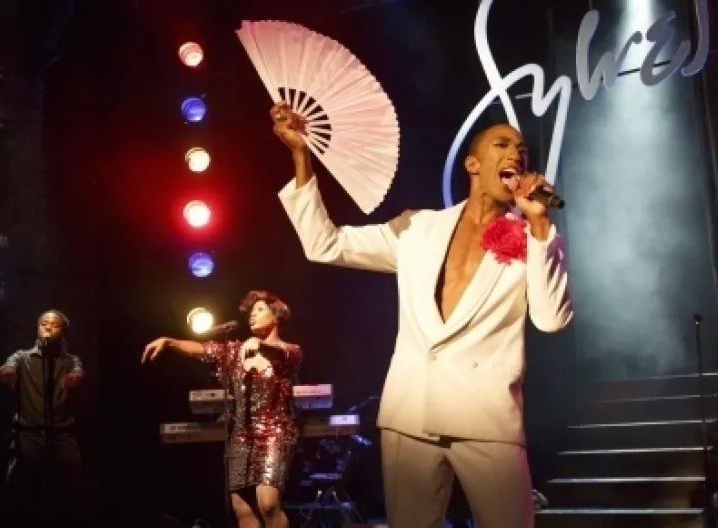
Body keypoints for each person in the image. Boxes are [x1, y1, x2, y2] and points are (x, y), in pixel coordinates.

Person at [270, 102, 573, 527]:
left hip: (486, 415)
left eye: (522, 151)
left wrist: (540, 226)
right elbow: (325, 244)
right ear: (472, 163)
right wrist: (301, 156)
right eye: (502, 144)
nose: (516, 155)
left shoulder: (533, 241)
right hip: (410, 412)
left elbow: (551, 319)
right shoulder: (418, 227)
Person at [143, 290, 300, 528]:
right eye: (251, 312)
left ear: (276, 316)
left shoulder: (289, 351)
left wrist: (258, 344)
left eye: (260, 310)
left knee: (267, 503)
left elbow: (278, 353)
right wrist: (169, 341)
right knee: (242, 507)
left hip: (274, 433)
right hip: (241, 436)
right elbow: (202, 349)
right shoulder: (235, 351)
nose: (252, 315)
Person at [0, 310, 86, 527]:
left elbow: (79, 372)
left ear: (62, 332)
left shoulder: (70, 361)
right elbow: (4, 369)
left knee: (71, 491)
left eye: (54, 325)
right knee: (22, 492)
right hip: (29, 437)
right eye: (44, 323)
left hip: (62, 436)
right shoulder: (21, 357)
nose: (48, 327)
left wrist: (75, 377)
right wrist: (6, 372)